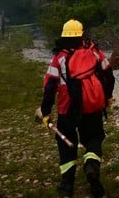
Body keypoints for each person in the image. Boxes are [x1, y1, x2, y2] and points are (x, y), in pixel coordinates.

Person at [37, 19, 114, 197]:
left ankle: (66, 186)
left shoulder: (59, 58)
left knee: (66, 145)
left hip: (67, 110)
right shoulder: (94, 52)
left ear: (64, 36)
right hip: (92, 106)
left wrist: (46, 112)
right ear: (81, 34)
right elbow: (109, 74)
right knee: (94, 137)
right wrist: (107, 97)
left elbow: (49, 87)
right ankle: (91, 166)